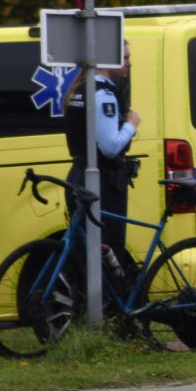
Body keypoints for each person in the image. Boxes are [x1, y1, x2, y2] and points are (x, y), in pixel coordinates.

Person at [64, 42, 141, 267]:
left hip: (79, 176)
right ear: (108, 61)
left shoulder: (80, 90)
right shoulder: (104, 95)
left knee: (86, 252)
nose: (129, 63)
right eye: (125, 58)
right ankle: (105, 301)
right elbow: (110, 147)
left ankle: (91, 300)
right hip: (101, 183)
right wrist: (131, 125)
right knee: (108, 249)